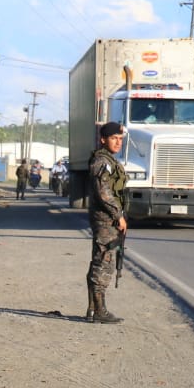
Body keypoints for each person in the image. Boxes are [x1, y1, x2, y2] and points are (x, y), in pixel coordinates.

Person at [85, 121, 127, 324]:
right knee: (103, 262)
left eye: (120, 139)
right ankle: (99, 311)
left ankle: (93, 309)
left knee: (100, 260)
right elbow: (103, 192)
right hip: (105, 219)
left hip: (107, 218)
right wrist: (118, 215)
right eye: (113, 138)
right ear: (103, 140)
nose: (118, 142)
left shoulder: (108, 160)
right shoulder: (102, 161)